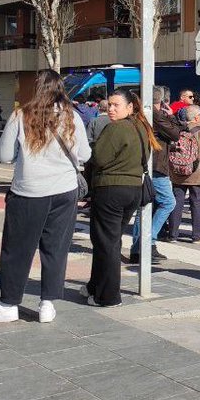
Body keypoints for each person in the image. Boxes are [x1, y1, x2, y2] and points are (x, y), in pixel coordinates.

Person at [0, 70, 90, 324]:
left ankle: (8, 304)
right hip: (64, 191)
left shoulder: (21, 114)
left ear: (36, 88)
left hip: (29, 192)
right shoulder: (73, 116)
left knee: (17, 249)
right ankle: (47, 304)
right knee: (56, 249)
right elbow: (85, 154)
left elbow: (5, 155)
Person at [83, 90, 154, 307]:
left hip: (111, 189)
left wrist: (93, 150)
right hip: (133, 189)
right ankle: (95, 286)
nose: (111, 109)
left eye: (116, 105)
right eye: (110, 105)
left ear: (130, 107)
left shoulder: (116, 128)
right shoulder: (142, 127)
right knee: (108, 240)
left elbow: (99, 157)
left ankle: (108, 296)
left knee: (107, 243)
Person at [129, 86, 181, 264]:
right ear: (161, 101)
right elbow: (175, 134)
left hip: (145, 163)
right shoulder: (156, 115)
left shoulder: (140, 113)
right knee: (168, 202)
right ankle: (148, 242)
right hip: (157, 165)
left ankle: (137, 249)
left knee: (143, 206)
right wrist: (171, 115)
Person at [167, 105, 200, 243]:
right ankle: (197, 235)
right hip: (196, 172)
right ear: (196, 117)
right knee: (196, 203)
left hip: (178, 171)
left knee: (177, 202)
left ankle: (172, 234)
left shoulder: (178, 130)